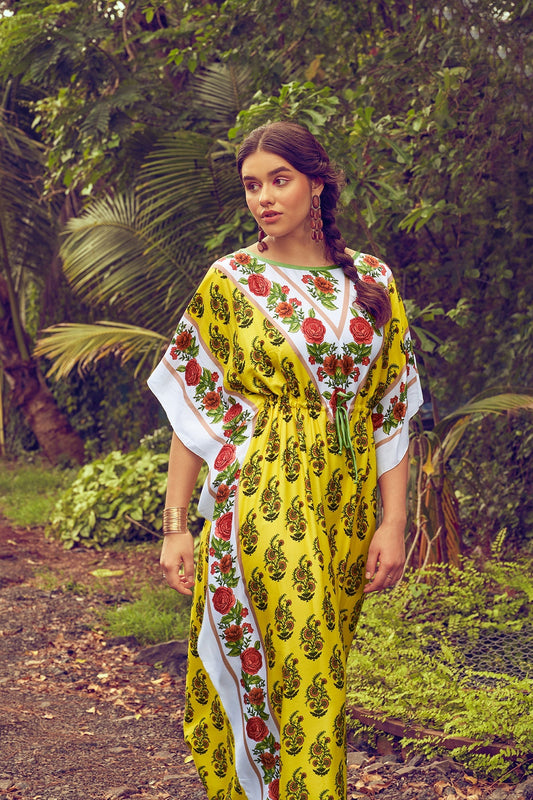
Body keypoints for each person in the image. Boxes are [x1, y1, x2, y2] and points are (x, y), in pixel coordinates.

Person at [148, 121, 423, 800]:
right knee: (305, 666)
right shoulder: (231, 281)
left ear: (317, 183)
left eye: (279, 180)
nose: (263, 198)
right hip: (261, 491)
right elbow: (195, 407)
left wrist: (393, 523)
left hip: (347, 501)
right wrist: (176, 525)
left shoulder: (373, 281)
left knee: (320, 660)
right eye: (250, 185)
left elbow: (387, 412)